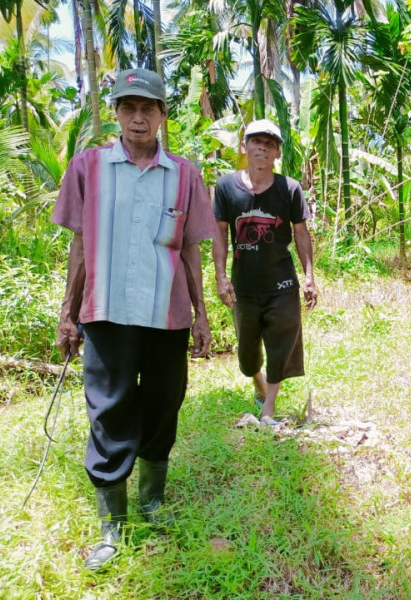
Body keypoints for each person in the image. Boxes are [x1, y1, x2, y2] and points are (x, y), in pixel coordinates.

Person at [53, 68, 217, 571]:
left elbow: (191, 250)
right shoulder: (89, 167)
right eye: (129, 108)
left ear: (164, 115)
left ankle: (152, 503)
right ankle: (113, 524)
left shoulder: (184, 175)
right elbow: (79, 244)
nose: (138, 117)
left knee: (164, 404)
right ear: (118, 114)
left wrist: (202, 317)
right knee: (110, 410)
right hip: (105, 313)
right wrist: (67, 314)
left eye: (149, 108)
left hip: (166, 315)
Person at [212, 119, 318, 426]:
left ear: (277, 153)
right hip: (245, 285)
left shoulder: (290, 189)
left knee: (281, 343)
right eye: (256, 141)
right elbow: (219, 233)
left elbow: (301, 233)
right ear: (244, 147)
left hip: (282, 283)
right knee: (247, 355)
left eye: (270, 144)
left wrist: (309, 276)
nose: (262, 147)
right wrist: (220, 276)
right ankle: (257, 381)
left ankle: (268, 410)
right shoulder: (225, 187)